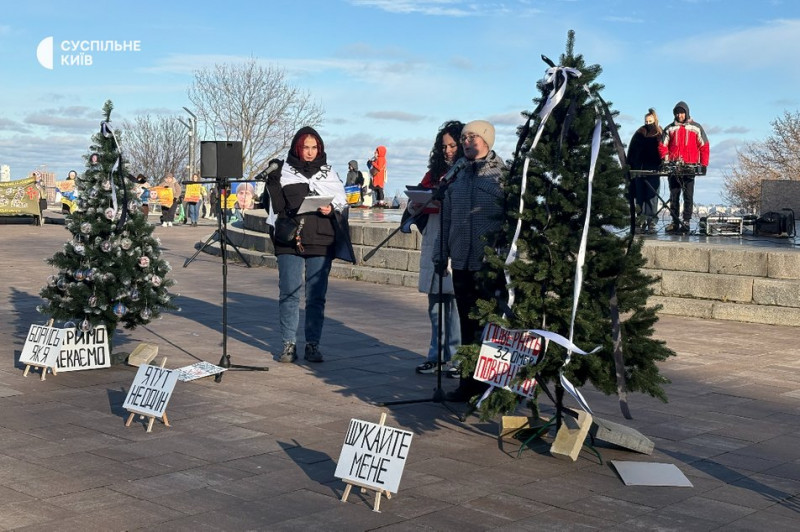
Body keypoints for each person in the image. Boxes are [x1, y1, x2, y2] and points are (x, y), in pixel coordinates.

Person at [265, 126, 354, 364]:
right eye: (305, 147)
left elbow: (342, 203)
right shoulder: (283, 173)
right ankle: (288, 344)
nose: (310, 152)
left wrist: (331, 208)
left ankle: (313, 345)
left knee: (316, 297)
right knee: (289, 293)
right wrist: (274, 184)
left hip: (321, 240)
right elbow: (275, 207)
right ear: (297, 147)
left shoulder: (329, 174)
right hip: (290, 241)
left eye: (314, 147)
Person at [435, 119, 506, 402]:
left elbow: (512, 220)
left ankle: (492, 388)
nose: (466, 143)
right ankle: (467, 383)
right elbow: (447, 218)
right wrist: (441, 253)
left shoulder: (502, 177)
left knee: (491, 327)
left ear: (487, 140)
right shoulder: (457, 176)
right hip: (462, 263)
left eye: (472, 137)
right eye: (463, 138)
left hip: (491, 264)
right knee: (467, 325)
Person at [406, 120, 465, 376]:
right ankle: (436, 354)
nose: (448, 151)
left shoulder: (467, 172)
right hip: (433, 236)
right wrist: (415, 205)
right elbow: (418, 199)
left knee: (455, 304)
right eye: (444, 146)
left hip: (455, 239)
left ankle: (458, 357)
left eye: (453, 145)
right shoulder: (434, 174)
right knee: (435, 303)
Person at [659, 101, 710, 233]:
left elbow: (704, 146)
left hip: (690, 167)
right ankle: (675, 222)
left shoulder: (696, 127)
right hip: (674, 167)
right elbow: (662, 146)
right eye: (677, 113)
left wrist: (703, 164)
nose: (679, 115)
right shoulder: (669, 128)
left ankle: (686, 222)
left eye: (681, 112)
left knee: (688, 196)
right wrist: (666, 159)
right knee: (674, 195)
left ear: (686, 113)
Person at [627, 108, 663, 234]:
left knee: (652, 196)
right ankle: (640, 220)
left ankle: (651, 222)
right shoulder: (639, 133)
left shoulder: (659, 134)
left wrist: (661, 164)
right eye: (646, 121)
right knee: (640, 196)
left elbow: (662, 151)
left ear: (655, 120)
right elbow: (631, 151)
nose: (648, 123)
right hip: (638, 169)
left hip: (653, 169)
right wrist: (629, 166)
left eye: (650, 121)